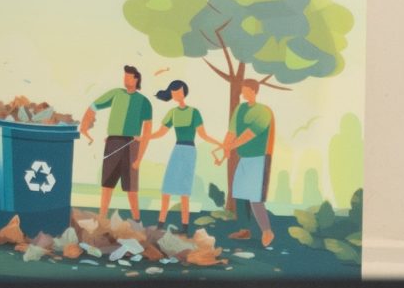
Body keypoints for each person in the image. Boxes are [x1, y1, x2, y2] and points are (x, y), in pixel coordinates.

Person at [79, 64, 153, 221]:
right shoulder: (116, 93)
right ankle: (102, 217)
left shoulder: (144, 102)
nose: (125, 79)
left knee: (131, 188)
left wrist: (139, 159)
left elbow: (147, 132)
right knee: (107, 184)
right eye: (124, 76)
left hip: (131, 144)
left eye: (128, 76)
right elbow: (94, 106)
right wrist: (85, 125)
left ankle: (136, 220)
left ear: (136, 79)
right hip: (112, 142)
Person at [213, 76, 279, 246]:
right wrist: (225, 148)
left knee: (255, 197)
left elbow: (249, 135)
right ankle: (244, 230)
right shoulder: (240, 109)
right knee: (239, 193)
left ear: (254, 91)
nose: (243, 94)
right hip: (244, 158)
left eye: (246, 91)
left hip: (258, 159)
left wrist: (231, 146)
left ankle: (267, 231)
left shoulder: (263, 112)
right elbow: (232, 132)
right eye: (242, 91)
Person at [144, 80, 208, 229]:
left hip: (189, 151)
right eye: (174, 92)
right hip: (177, 150)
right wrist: (144, 137)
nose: (176, 95)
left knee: (184, 191)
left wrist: (220, 144)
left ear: (184, 92)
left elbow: (203, 135)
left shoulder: (194, 112)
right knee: (167, 189)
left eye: (179, 92)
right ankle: (160, 225)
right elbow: (161, 132)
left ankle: (185, 227)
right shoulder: (172, 112)